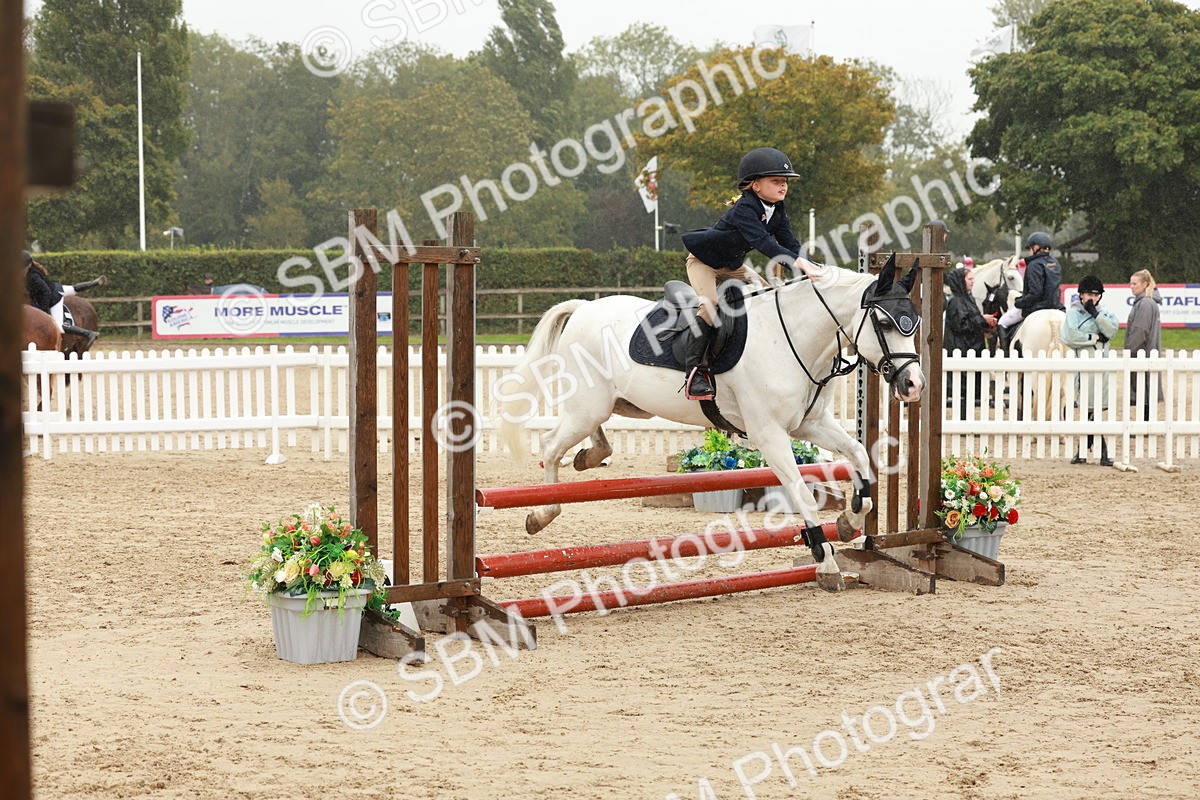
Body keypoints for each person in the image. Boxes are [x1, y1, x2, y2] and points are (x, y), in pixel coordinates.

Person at [679, 147, 818, 399]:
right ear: (755, 186)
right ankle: (693, 373)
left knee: (766, 294)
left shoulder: (778, 209)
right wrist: (799, 264)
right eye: (776, 181)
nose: (783, 186)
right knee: (709, 304)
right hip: (704, 262)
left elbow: (789, 241)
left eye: (785, 182)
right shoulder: (744, 208)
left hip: (732, 266)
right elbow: (765, 243)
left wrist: (811, 264)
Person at [1061, 274, 1119, 465]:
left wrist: (1095, 314)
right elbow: (1070, 336)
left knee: (1093, 409)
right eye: (1088, 294)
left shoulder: (1105, 314)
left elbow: (1111, 331)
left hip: (1101, 367)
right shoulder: (1072, 314)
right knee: (1088, 408)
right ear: (1081, 295)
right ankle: (1100, 452)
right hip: (1083, 366)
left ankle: (1083, 451)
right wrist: (1094, 338)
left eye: (1095, 295)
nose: (1091, 298)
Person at [997, 231, 1063, 349]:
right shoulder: (1055, 263)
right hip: (1056, 306)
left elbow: (1035, 293)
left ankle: (1006, 361)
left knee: (1003, 322)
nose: (1030, 251)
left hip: (1036, 307)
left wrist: (1019, 302)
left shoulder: (1034, 265)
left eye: (1030, 248)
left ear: (1036, 247)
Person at [944, 267, 996, 416]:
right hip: (961, 349)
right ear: (961, 281)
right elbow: (961, 325)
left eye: (973, 279)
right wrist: (982, 319)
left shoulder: (968, 298)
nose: (973, 282)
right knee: (963, 388)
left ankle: (965, 418)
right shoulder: (955, 301)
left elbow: (972, 320)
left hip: (971, 348)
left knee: (970, 389)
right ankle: (962, 419)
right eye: (969, 279)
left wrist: (985, 322)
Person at [23, 250, 102, 345]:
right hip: (56, 288)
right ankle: (94, 282)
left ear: (28, 266)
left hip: (54, 298)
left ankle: (89, 333)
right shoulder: (33, 270)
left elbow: (46, 293)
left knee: (60, 326)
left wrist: (43, 310)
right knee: (74, 288)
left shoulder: (33, 277)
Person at [1125, 268, 1163, 420]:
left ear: (1145, 284)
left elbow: (1140, 331)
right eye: (1130, 283)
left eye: (1134, 283)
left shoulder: (1145, 303)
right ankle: (1145, 421)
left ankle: (1145, 422)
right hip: (1146, 351)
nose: (1131, 286)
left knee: (1144, 388)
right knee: (1145, 388)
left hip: (1143, 352)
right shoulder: (1146, 302)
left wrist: (1129, 351)